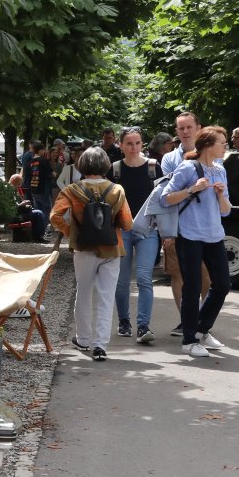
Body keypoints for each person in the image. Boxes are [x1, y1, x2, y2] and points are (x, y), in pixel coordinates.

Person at [50, 147, 131, 361]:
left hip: (83, 248)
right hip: (112, 248)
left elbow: (55, 216)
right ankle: (100, 345)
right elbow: (127, 223)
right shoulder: (117, 190)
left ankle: (83, 339)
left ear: (81, 165)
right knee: (106, 297)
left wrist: (70, 231)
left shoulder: (71, 190)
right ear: (105, 164)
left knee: (83, 292)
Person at [165, 125, 232, 358]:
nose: (225, 147)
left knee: (223, 285)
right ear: (208, 145)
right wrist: (193, 189)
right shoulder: (187, 167)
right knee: (192, 288)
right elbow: (166, 198)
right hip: (189, 235)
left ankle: (201, 329)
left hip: (214, 235)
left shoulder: (220, 170)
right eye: (222, 143)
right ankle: (189, 340)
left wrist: (220, 195)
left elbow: (226, 211)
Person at [109, 127, 161, 344]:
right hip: (122, 229)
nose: (134, 147)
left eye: (138, 143)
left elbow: (162, 198)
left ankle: (143, 326)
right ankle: (124, 321)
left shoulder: (153, 167)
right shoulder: (115, 169)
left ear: (143, 144)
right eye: (129, 143)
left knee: (144, 278)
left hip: (148, 230)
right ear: (121, 145)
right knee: (122, 281)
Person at [159, 111, 209, 334]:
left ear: (199, 128)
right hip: (176, 224)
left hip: (205, 224)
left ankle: (204, 321)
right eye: (181, 128)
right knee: (177, 273)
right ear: (176, 132)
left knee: (207, 276)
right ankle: (186, 320)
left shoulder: (211, 154)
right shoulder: (169, 159)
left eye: (189, 127)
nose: (186, 132)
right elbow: (167, 193)